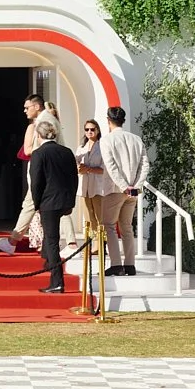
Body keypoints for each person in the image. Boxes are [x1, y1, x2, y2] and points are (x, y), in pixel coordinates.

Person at [0, 93, 59, 253]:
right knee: (43, 206)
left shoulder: (44, 121)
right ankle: (68, 242)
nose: (24, 111)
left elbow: (45, 147)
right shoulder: (45, 119)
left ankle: (12, 241)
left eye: (27, 107)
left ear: (37, 106)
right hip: (46, 173)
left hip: (42, 173)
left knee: (30, 205)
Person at [98, 105, 152, 276]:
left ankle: (116, 264)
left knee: (109, 226)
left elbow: (111, 166)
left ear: (108, 120)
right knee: (127, 227)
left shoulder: (106, 140)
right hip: (133, 190)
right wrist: (136, 185)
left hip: (115, 189)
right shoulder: (136, 139)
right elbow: (145, 164)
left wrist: (124, 186)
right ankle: (130, 264)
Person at [26, 119, 78, 293]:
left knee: (52, 240)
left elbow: (36, 182)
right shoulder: (66, 151)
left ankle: (57, 281)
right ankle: (48, 261)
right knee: (50, 240)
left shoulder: (39, 154)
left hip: (48, 202)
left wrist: (37, 203)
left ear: (39, 135)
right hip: (64, 199)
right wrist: (71, 200)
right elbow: (74, 178)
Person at [74, 119, 107, 247]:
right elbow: (75, 162)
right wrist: (79, 167)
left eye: (92, 129)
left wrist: (87, 169)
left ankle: (101, 244)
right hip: (84, 186)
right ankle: (92, 244)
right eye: (87, 129)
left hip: (98, 186)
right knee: (88, 216)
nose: (89, 132)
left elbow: (104, 169)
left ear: (98, 131)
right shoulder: (81, 147)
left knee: (99, 216)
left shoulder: (102, 147)